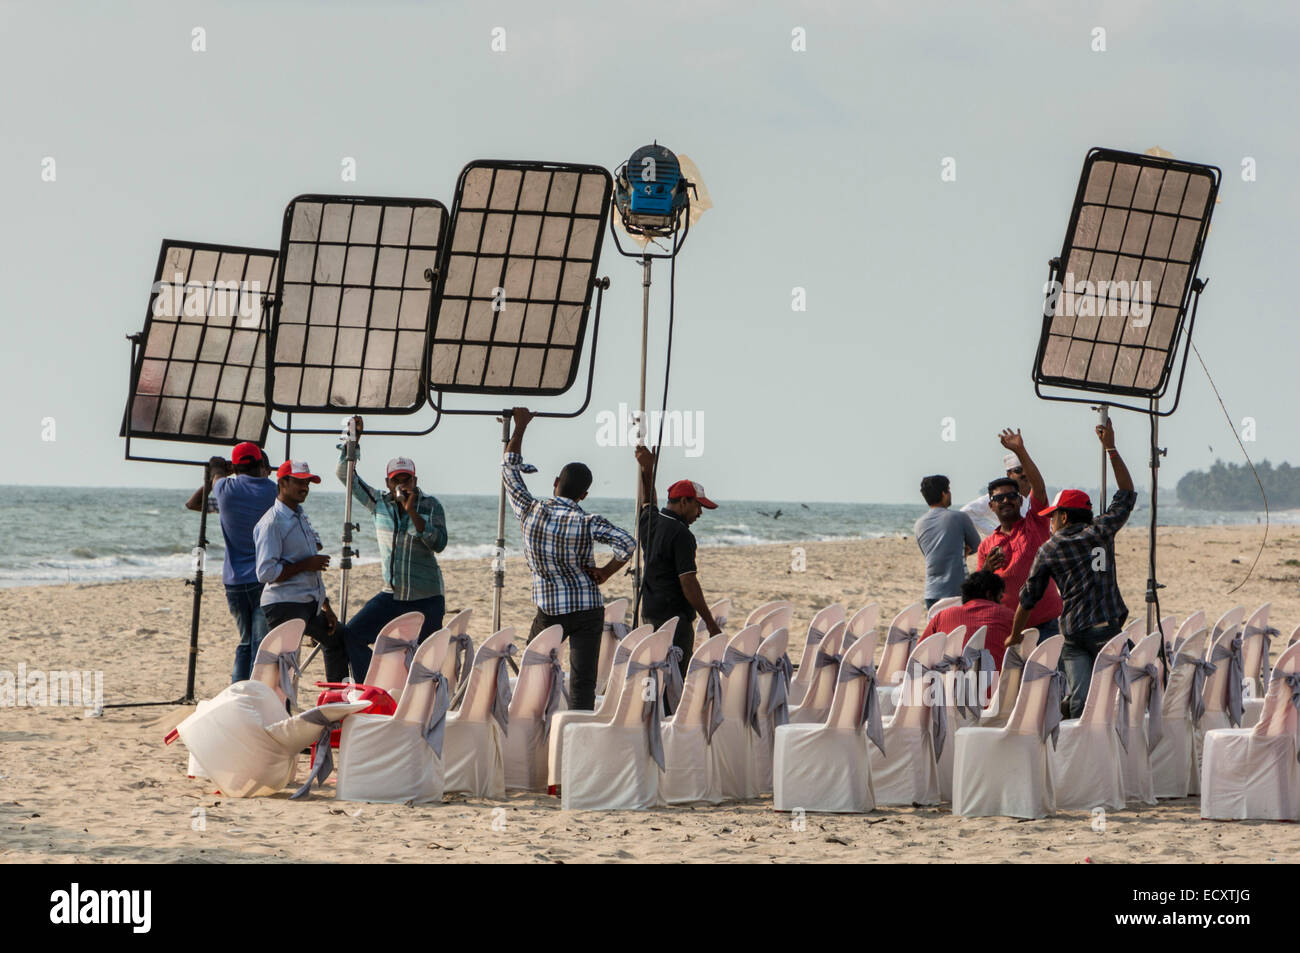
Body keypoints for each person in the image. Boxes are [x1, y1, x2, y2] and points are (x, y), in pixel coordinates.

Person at [502, 407, 635, 711]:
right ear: (584, 495)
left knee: (532, 670)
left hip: (550, 609)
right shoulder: (588, 521)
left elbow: (509, 468)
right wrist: (606, 572)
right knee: (583, 681)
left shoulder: (530, 510)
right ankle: (576, 734)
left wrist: (521, 426)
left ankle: (532, 723)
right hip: (588, 606)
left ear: (555, 482)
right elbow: (627, 543)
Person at [1009, 421, 1137, 718]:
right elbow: (1127, 492)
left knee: (1079, 702)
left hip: (1074, 633)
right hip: (1107, 629)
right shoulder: (1101, 530)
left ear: (1064, 517)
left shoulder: (1050, 549)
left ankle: (1074, 741)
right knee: (1123, 692)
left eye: (1053, 518)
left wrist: (1014, 635)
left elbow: (1028, 598)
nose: (1050, 523)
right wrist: (1111, 448)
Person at [333, 416, 449, 677]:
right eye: (396, 480)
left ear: (415, 480)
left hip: (426, 597)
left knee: (426, 657)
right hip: (392, 595)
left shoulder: (431, 506)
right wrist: (353, 444)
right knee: (352, 634)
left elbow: (439, 544)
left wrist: (414, 515)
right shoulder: (378, 503)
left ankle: (424, 699)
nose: (402, 485)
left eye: (406, 479)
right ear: (388, 483)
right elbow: (345, 475)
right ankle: (374, 686)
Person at [255, 460, 368, 684]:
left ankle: (335, 703)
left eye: (308, 482)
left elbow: (314, 553)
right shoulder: (272, 522)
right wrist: (307, 564)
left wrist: (326, 607)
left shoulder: (299, 515)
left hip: (307, 602)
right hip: (284, 603)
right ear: (282, 482)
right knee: (282, 668)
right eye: (299, 482)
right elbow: (265, 572)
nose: (305, 487)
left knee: (338, 639)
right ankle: (279, 712)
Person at [635, 445, 723, 688]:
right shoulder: (682, 534)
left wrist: (647, 470)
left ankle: (656, 721)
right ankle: (668, 722)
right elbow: (688, 582)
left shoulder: (650, 521)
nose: (700, 513)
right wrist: (710, 623)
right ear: (684, 502)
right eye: (698, 506)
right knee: (674, 681)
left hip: (650, 614)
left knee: (656, 677)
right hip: (675, 620)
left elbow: (647, 501)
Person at [194, 443, 277, 682]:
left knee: (245, 642)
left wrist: (219, 469)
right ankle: (253, 694)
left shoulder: (224, 489)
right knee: (259, 644)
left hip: (234, 581)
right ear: (261, 465)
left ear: (235, 466)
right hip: (263, 579)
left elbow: (214, 475)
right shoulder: (274, 491)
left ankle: (237, 691)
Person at [976, 429, 1062, 639]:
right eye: (1000, 498)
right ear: (991, 506)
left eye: (1011, 496)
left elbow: (1039, 488)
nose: (1006, 500)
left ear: (1021, 500)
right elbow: (980, 592)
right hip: (1007, 629)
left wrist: (1020, 451)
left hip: (1046, 626)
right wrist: (987, 568)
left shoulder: (1036, 523)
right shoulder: (986, 546)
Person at [920, 569, 1015, 671]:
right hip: (994, 684)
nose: (1000, 603)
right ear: (989, 595)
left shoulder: (943, 615)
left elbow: (920, 653)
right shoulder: (1009, 616)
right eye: (1000, 597)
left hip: (947, 683)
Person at [914, 475, 981, 609]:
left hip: (931, 592)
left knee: (938, 629)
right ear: (944, 493)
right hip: (956, 590)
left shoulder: (919, 524)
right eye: (949, 490)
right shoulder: (959, 517)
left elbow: (930, 553)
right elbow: (977, 545)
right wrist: (963, 552)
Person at [960, 452, 1032, 536]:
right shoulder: (998, 497)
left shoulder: (1037, 495)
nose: (1024, 473)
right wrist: (997, 533)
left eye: (1027, 469)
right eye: (1018, 470)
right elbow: (965, 513)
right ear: (1009, 474)